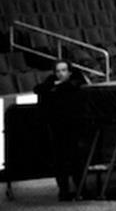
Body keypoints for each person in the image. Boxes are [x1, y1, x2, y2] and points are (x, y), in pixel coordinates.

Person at [34, 59, 87, 201]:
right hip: (57, 126)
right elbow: (38, 89)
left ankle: (81, 189)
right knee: (60, 160)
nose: (60, 74)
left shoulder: (75, 82)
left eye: (63, 70)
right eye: (58, 71)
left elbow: (75, 87)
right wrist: (55, 86)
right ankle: (64, 190)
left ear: (69, 72)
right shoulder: (50, 83)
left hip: (73, 125)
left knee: (76, 158)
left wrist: (58, 86)